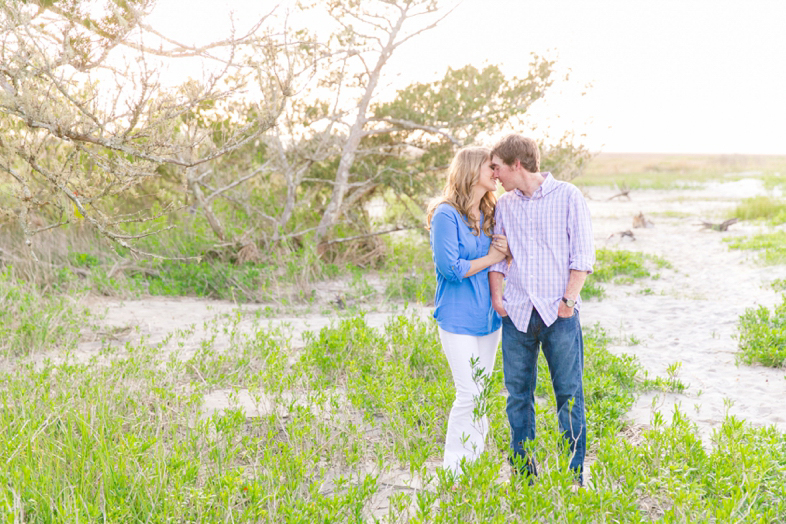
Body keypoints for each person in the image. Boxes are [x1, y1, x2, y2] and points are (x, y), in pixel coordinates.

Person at [488, 134, 595, 485]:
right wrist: (498, 299)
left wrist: (567, 302)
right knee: (518, 396)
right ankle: (523, 477)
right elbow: (499, 261)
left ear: (516, 164)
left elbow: (582, 256)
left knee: (568, 395)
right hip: (517, 313)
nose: (495, 174)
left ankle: (573, 477)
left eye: (498, 167)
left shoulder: (568, 196)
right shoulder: (505, 205)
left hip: (558, 314)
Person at [427, 146, 509, 476]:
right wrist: (491, 257)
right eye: (491, 166)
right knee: (468, 394)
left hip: (488, 319)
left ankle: (472, 463)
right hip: (457, 318)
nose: (496, 172)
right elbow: (450, 268)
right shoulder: (446, 214)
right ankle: (454, 471)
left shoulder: (491, 213)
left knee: (481, 394)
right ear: (472, 170)